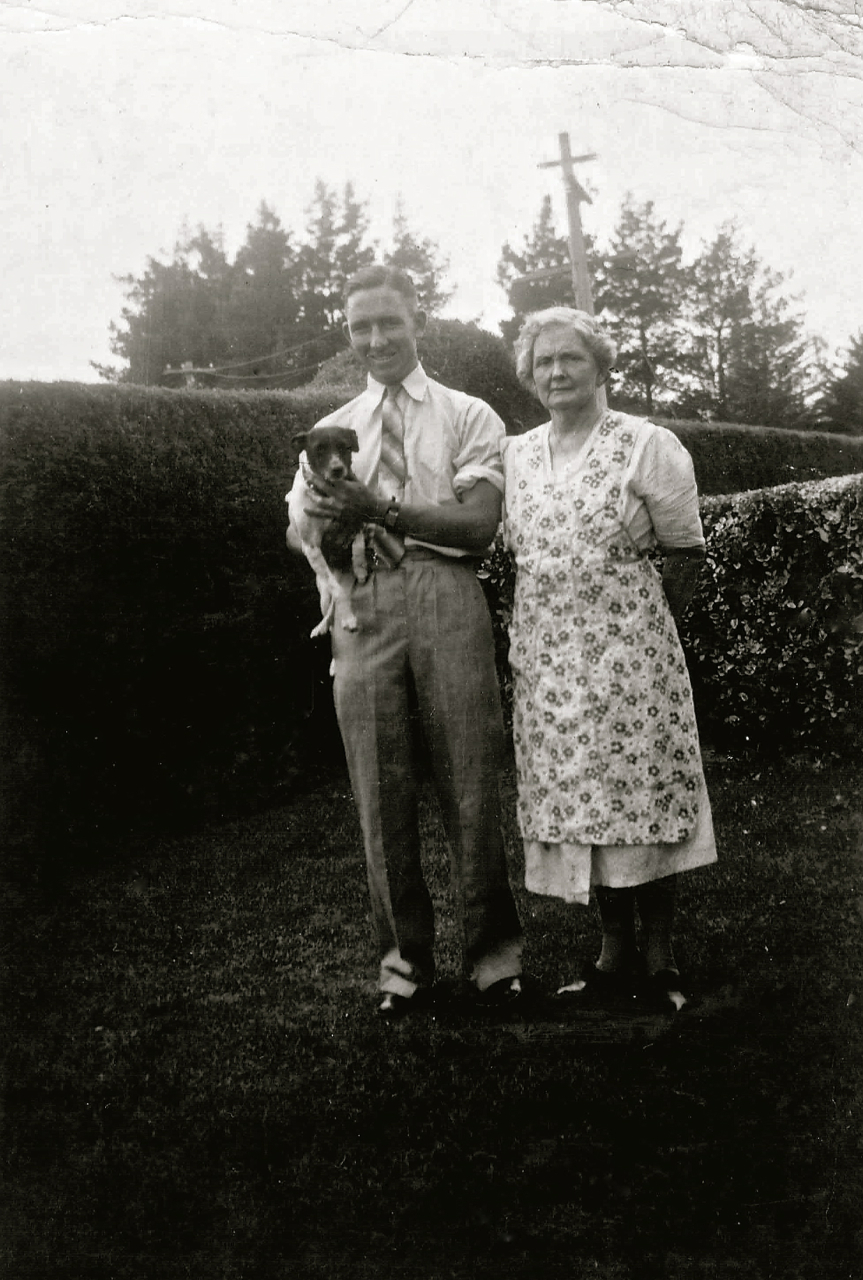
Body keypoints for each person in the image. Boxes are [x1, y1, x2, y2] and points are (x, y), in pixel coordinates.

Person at [287, 265, 523, 1019]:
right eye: (361, 327)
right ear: (348, 332)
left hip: (443, 590)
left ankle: (493, 965)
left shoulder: (467, 414)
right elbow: (300, 527)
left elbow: (478, 526)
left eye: (389, 322)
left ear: (416, 321)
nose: (376, 339)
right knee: (377, 790)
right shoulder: (334, 427)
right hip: (361, 604)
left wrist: (379, 508)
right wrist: (319, 532)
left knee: (470, 784)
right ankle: (403, 971)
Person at [502, 307, 717, 1011]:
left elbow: (685, 554)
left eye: (570, 359)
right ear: (529, 377)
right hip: (547, 660)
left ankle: (658, 963)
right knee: (584, 806)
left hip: (631, 656)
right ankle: (608, 955)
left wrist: (647, 637)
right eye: (542, 363)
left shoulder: (646, 444)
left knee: (643, 802)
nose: (556, 373)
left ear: (599, 365)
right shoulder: (516, 454)